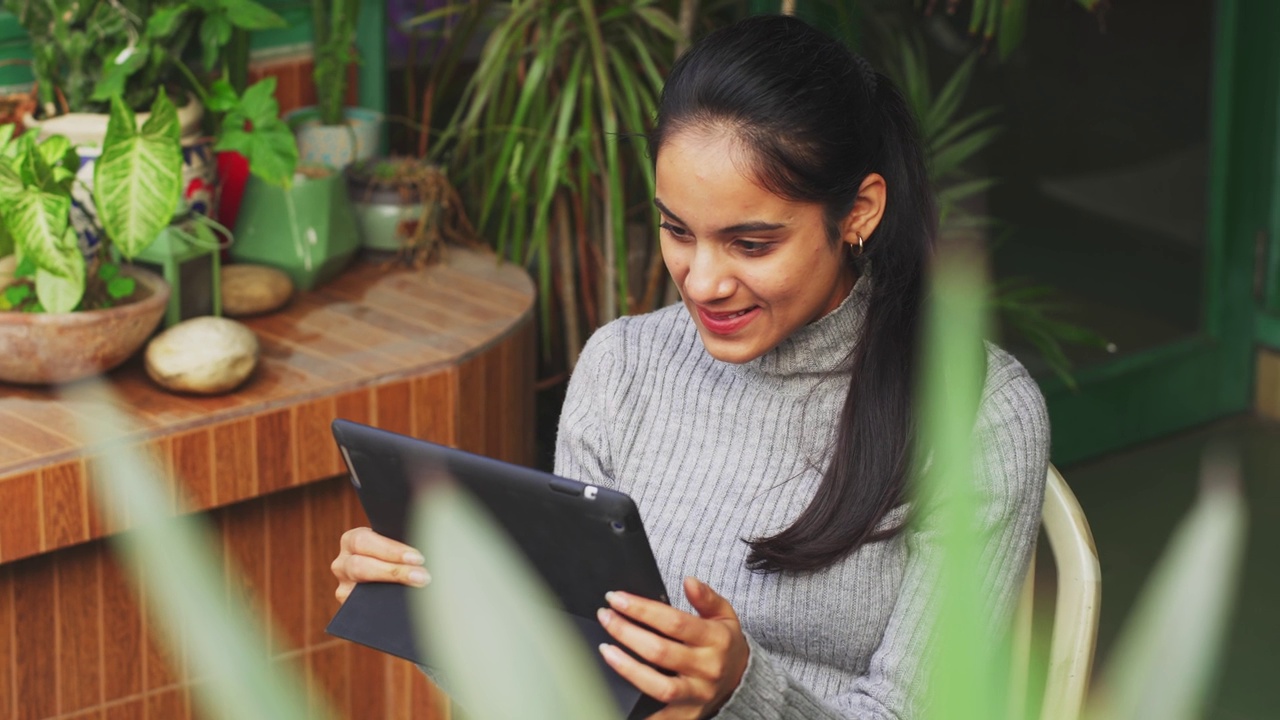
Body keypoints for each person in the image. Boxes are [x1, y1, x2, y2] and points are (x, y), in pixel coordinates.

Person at [331, 13, 1049, 720]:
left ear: (859, 211)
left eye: (751, 243)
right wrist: (437, 616)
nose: (702, 282)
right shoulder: (622, 367)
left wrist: (744, 691)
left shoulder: (977, 416)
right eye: (677, 230)